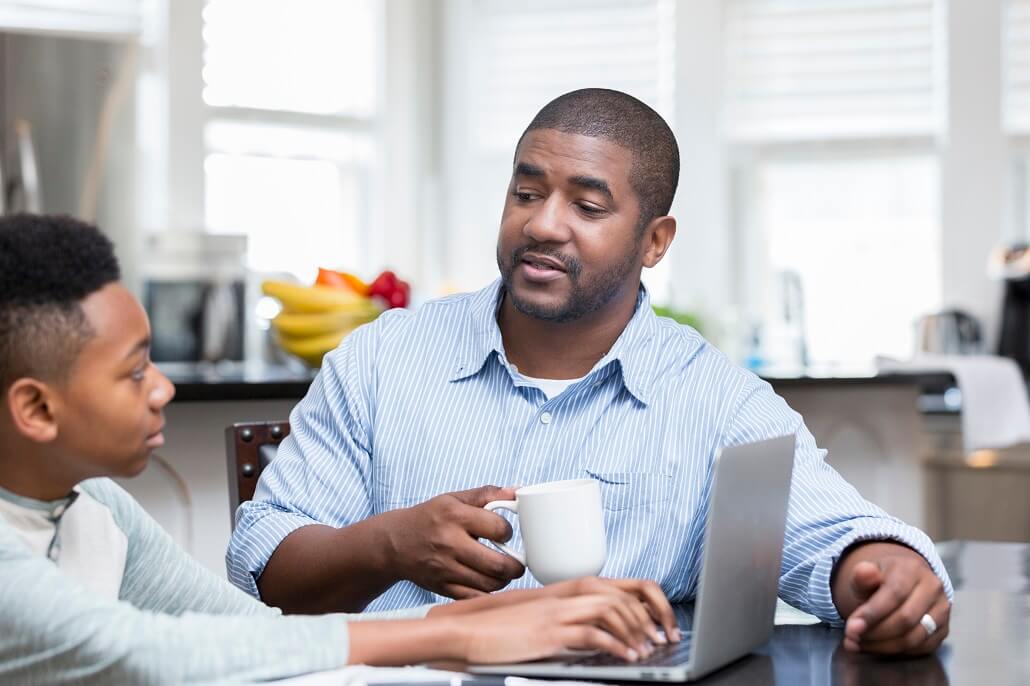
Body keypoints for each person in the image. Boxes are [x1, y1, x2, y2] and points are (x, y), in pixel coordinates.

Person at [228, 88, 953, 657]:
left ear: (654, 241)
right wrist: (389, 544)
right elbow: (264, 564)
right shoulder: (381, 359)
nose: (544, 223)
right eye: (526, 192)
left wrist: (885, 572)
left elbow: (837, 536)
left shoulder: (716, 398)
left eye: (587, 204)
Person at [0, 214, 679, 684]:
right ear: (35, 407)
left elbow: (247, 635)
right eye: (134, 371)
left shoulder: (98, 509)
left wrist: (511, 613)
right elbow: (145, 657)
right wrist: (458, 635)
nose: (164, 388)